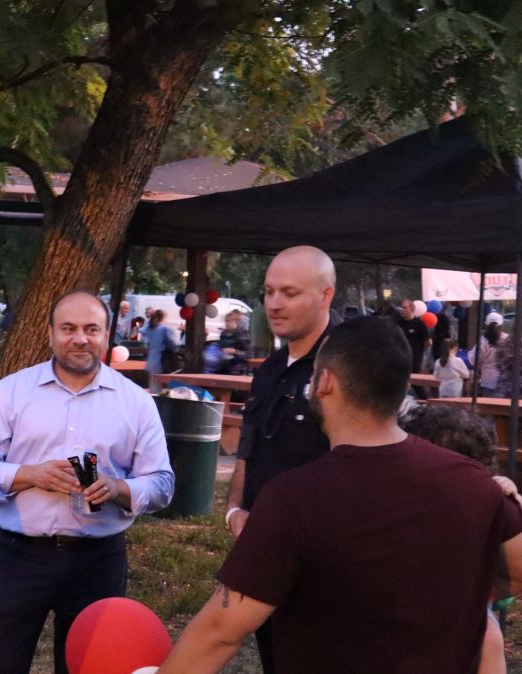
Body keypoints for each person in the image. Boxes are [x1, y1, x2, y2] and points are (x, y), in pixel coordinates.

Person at [158, 316, 522, 674]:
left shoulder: (294, 499)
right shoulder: (474, 484)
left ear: (326, 382)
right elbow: (516, 571)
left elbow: (220, 633)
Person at [0, 290, 174, 674]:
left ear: (107, 335)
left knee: (89, 668)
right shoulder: (12, 391)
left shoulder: (136, 402)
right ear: (50, 333)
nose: (80, 339)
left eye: (91, 329)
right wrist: (28, 474)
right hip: (20, 556)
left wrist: (119, 488)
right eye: (68, 328)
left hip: (98, 560)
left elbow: (162, 484)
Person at [223, 245, 336, 673]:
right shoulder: (270, 368)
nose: (274, 303)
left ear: (325, 295)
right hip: (264, 555)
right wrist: (234, 510)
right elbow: (249, 443)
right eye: (268, 292)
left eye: (289, 293)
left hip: (325, 566)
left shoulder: (350, 364)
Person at [400, 404, 517, 674]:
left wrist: (513, 496)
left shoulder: (487, 498)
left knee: (489, 638)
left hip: (462, 602)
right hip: (419, 601)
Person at [144, 309, 177, 390]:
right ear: (163, 318)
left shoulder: (150, 329)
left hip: (151, 361)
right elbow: (173, 345)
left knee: (154, 387)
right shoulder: (165, 329)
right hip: (163, 361)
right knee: (169, 388)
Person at [476, 313, 508, 397]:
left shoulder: (482, 341)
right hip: (505, 380)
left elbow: (473, 359)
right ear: (501, 325)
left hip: (488, 381)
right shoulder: (507, 339)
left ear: (486, 325)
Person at [217, 309, 251, 375]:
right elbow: (220, 348)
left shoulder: (242, 334)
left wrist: (235, 351)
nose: (226, 323)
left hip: (237, 366)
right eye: (226, 321)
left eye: (229, 321)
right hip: (223, 365)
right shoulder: (223, 333)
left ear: (235, 321)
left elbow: (248, 355)